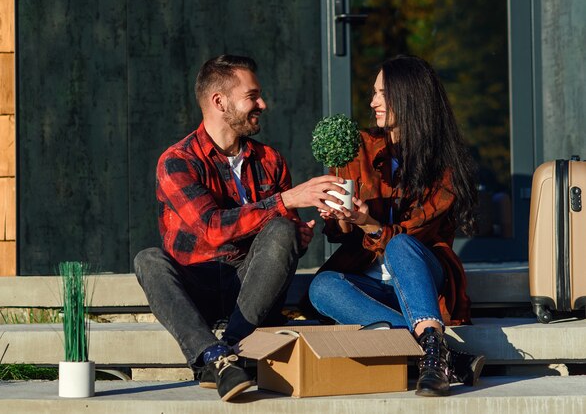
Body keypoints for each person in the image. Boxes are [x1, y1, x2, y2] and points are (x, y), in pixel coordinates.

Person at [134, 55, 345, 402]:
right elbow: (212, 229)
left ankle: (230, 350)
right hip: (197, 285)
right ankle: (213, 355)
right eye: (253, 96)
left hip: (252, 289)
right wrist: (286, 201)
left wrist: (297, 234)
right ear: (220, 101)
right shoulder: (177, 161)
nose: (262, 104)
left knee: (282, 230)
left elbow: (280, 231)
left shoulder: (271, 160)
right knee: (147, 260)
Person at [308, 55, 483, 397]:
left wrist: (369, 223)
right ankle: (440, 355)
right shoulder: (359, 148)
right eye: (373, 92)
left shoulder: (444, 166)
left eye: (383, 93)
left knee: (400, 247)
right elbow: (338, 236)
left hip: (421, 273)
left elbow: (410, 236)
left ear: (410, 97)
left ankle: (434, 360)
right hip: (370, 278)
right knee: (322, 287)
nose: (372, 101)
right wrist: (342, 218)